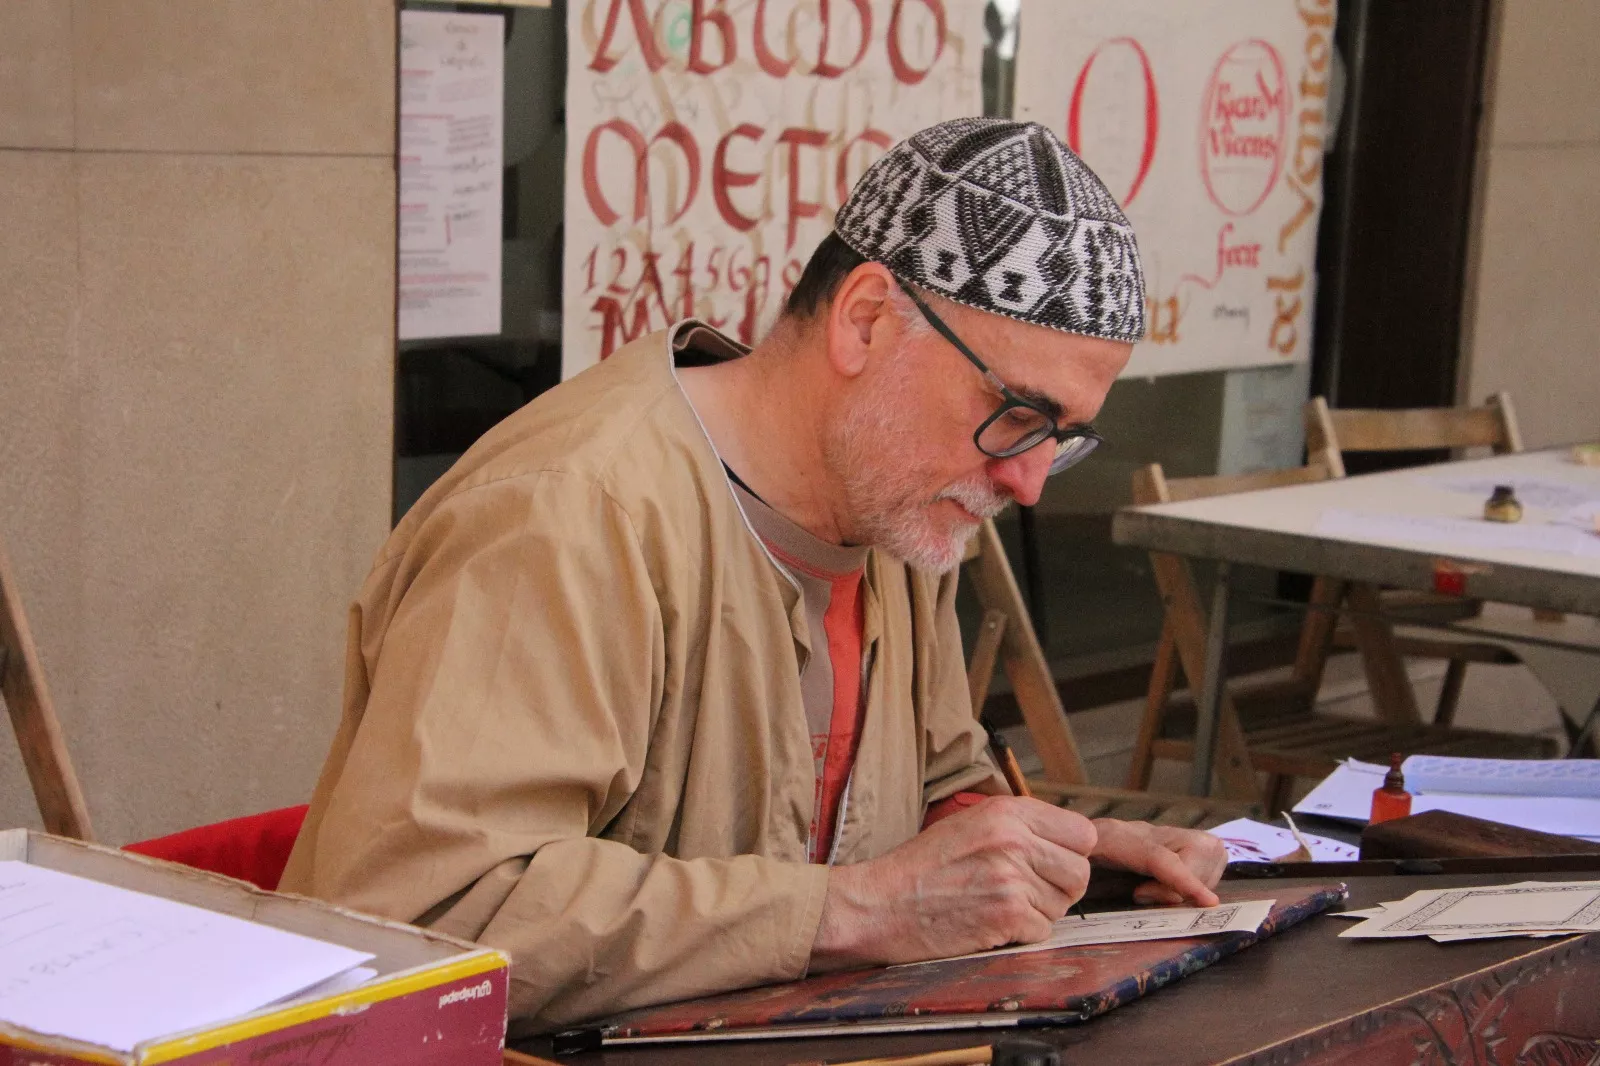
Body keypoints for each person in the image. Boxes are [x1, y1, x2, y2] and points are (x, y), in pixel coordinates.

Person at [280, 118, 1227, 1033]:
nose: (1025, 483)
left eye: (1060, 439)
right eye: (1017, 413)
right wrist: (855, 910)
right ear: (863, 321)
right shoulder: (567, 514)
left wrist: (1073, 855)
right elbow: (429, 916)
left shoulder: (900, 510)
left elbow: (934, 789)